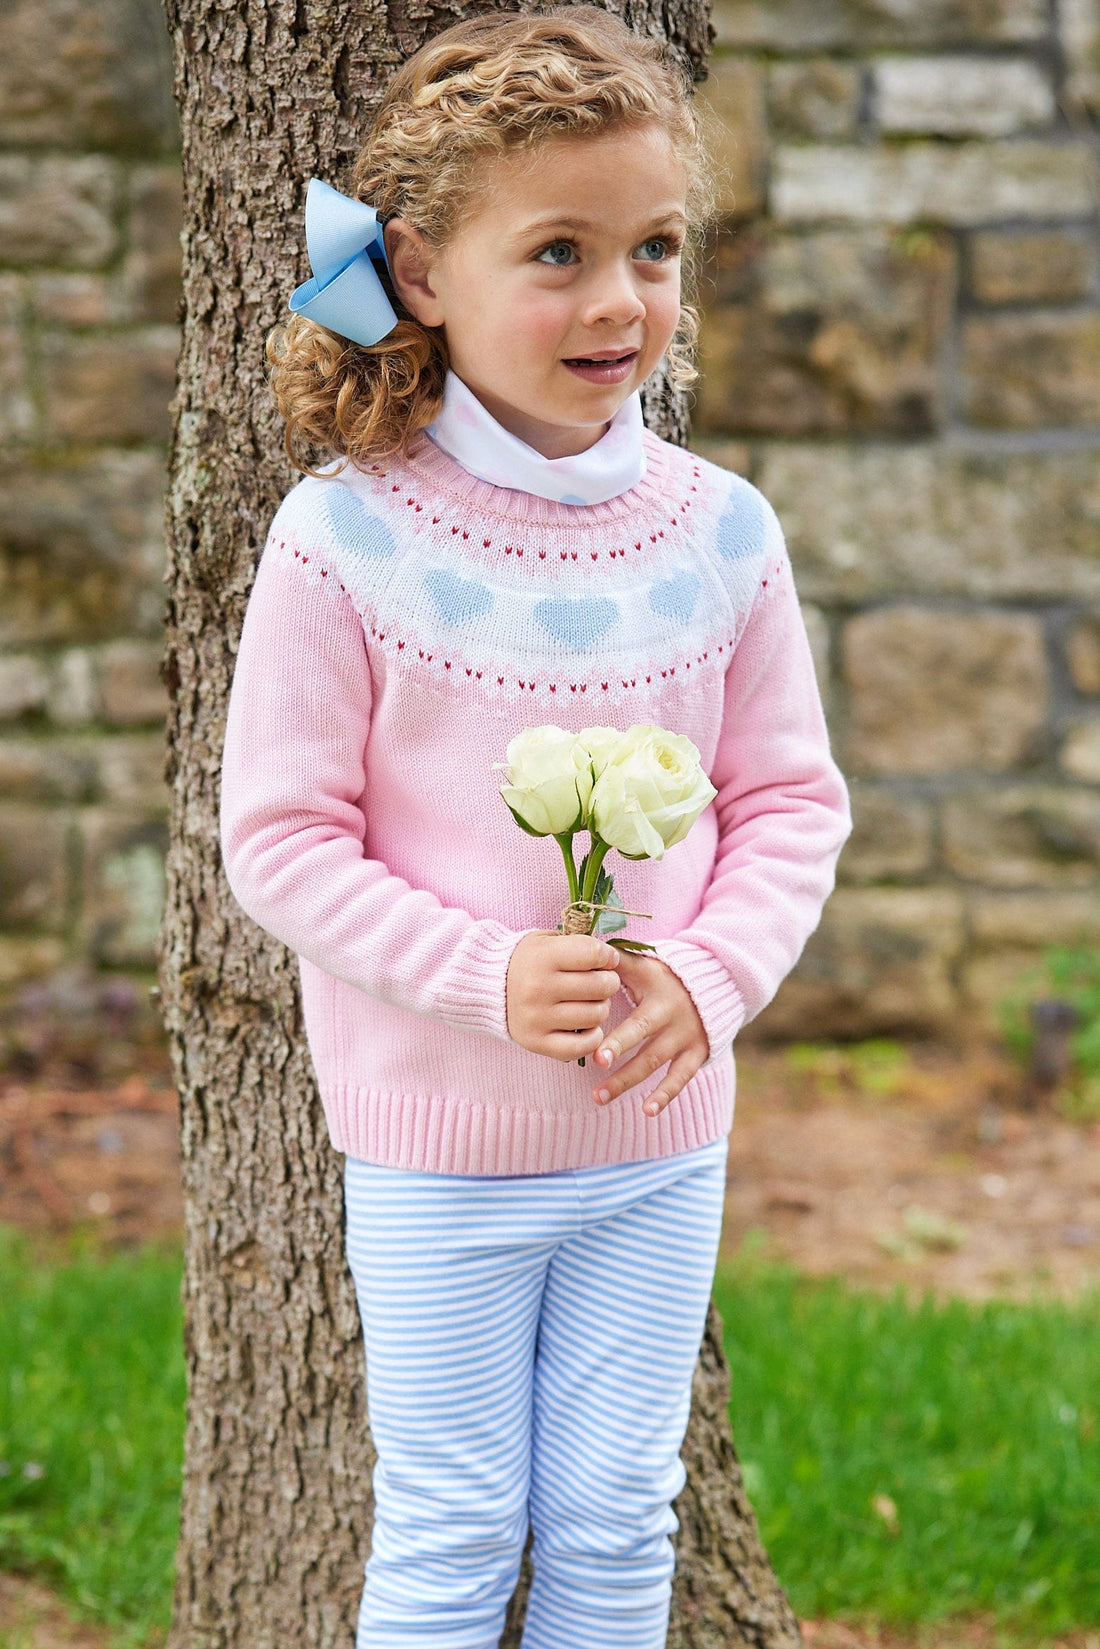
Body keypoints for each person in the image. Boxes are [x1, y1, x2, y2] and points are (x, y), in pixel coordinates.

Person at [218, 8, 853, 1644]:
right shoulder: (346, 537)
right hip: (441, 1148)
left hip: (659, 1141)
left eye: (654, 248)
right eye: (559, 252)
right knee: (449, 1529)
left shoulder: (722, 533)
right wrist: (486, 974)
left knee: (617, 1523)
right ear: (422, 270)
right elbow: (281, 838)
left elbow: (790, 801)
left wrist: (708, 976)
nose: (619, 300)